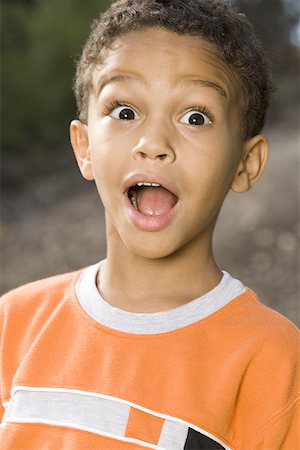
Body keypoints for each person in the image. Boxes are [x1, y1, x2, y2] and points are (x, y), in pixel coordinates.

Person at [0, 0, 299, 448]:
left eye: (195, 117)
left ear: (245, 163)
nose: (152, 143)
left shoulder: (272, 359)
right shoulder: (12, 323)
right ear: (84, 147)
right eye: (124, 111)